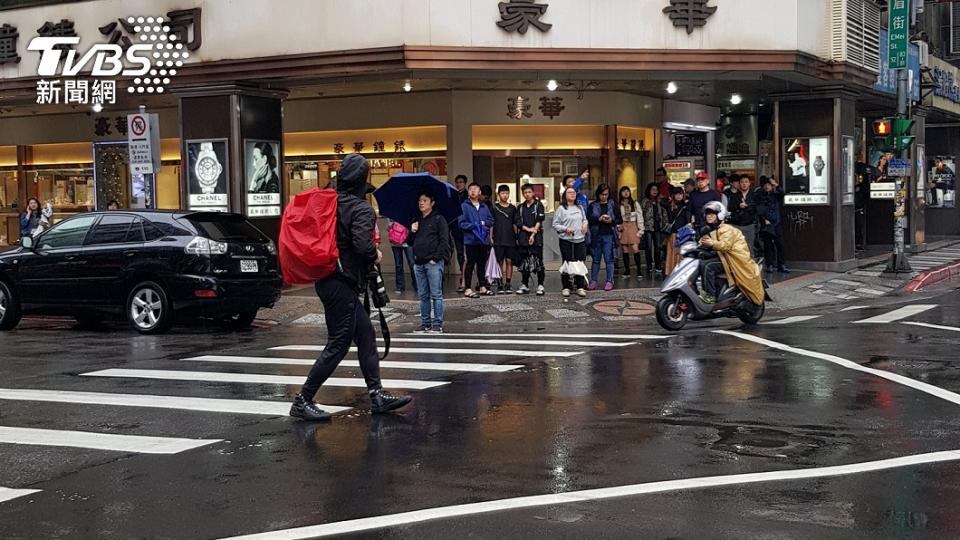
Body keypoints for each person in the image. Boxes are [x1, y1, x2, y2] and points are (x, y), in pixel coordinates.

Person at [291, 154, 411, 422]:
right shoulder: (360, 209)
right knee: (339, 342)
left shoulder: (330, 204)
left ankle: (377, 394)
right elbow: (363, 246)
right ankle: (303, 399)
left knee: (366, 335)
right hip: (341, 283)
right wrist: (376, 255)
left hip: (328, 280)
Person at [697, 201, 764, 307]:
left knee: (707, 266)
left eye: (712, 214)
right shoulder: (709, 229)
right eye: (708, 214)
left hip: (733, 260)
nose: (709, 216)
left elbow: (725, 245)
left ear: (719, 215)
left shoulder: (726, 229)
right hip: (723, 257)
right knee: (699, 262)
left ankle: (710, 296)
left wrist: (711, 243)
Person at [410, 193, 449, 333]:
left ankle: (437, 324)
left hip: (433, 262)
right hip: (418, 262)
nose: (421, 203)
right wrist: (413, 230)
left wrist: (436, 258)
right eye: (419, 200)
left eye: (424, 200)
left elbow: (444, 240)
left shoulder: (439, 219)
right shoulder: (417, 219)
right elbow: (410, 242)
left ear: (432, 203)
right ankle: (425, 323)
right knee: (423, 295)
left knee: (436, 294)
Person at [460, 182, 494, 298]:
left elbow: (491, 221)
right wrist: (473, 225)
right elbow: (461, 223)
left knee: (481, 264)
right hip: (471, 240)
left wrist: (484, 224)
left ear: (480, 192)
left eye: (475, 189)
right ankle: (468, 288)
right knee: (470, 263)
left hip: (483, 240)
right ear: (468, 192)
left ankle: (482, 286)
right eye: (471, 189)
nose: (473, 191)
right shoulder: (464, 206)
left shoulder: (484, 206)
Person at [554, 186, 589, 298]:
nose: (572, 194)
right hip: (566, 240)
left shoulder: (580, 208)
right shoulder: (561, 209)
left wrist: (585, 225)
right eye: (569, 193)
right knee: (567, 262)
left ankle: (580, 286)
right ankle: (566, 287)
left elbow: (585, 219)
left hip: (580, 239)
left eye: (574, 193)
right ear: (565, 195)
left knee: (580, 262)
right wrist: (566, 229)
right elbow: (555, 224)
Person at [587, 184, 622, 291]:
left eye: (606, 194)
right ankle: (593, 281)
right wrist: (599, 218)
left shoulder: (613, 205)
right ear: (598, 194)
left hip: (609, 234)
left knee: (609, 259)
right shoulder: (593, 205)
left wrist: (611, 220)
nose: (604, 197)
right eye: (602, 194)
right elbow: (588, 219)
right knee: (596, 260)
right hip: (596, 235)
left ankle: (609, 281)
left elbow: (619, 220)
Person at [515, 183, 546, 296]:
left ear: (533, 193)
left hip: (536, 238)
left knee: (538, 261)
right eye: (525, 193)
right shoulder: (521, 207)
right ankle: (525, 284)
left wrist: (533, 234)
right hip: (523, 237)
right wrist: (528, 230)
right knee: (525, 262)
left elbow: (539, 220)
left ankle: (540, 285)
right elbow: (518, 222)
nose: (527, 195)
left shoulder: (539, 205)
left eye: (529, 192)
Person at [756, 176, 790, 274]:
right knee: (768, 245)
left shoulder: (775, 195)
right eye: (765, 185)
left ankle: (781, 264)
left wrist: (776, 184)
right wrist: (764, 219)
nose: (767, 187)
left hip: (777, 222)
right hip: (766, 223)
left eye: (769, 185)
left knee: (780, 244)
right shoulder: (759, 196)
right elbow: (759, 210)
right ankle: (770, 264)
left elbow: (782, 193)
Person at [491, 185, 518, 294]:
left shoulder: (512, 208)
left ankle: (508, 283)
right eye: (502, 193)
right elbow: (491, 224)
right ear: (498, 195)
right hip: (498, 238)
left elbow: (515, 224)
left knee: (509, 261)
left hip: (510, 238)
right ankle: (499, 283)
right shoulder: (494, 208)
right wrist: (490, 237)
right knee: (499, 261)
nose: (505, 195)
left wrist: (516, 237)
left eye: (507, 193)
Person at [726, 175, 759, 258]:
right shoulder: (734, 194)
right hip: (736, 224)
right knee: (736, 248)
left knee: (749, 247)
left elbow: (757, 208)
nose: (744, 184)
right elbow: (730, 208)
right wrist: (738, 206)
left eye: (746, 182)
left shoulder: (754, 195)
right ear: (739, 184)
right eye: (742, 182)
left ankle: (751, 268)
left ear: (749, 183)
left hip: (749, 224)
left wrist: (747, 206)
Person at [640, 183, 669, 277]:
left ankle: (658, 265)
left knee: (658, 247)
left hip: (658, 227)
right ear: (649, 190)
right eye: (653, 189)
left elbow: (664, 213)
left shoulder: (660, 201)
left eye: (656, 189)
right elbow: (640, 214)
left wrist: (665, 225)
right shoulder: (644, 201)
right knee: (648, 247)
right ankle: (649, 265)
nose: (654, 191)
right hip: (648, 227)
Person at [617, 186, 644, 278]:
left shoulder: (635, 203)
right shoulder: (619, 204)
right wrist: (618, 227)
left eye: (627, 191)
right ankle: (627, 270)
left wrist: (641, 229)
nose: (626, 193)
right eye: (623, 191)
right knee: (624, 249)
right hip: (623, 226)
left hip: (633, 225)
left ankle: (639, 270)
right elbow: (617, 217)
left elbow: (639, 217)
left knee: (635, 248)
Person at [664, 187, 692, 275]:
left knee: (680, 253)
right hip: (672, 233)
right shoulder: (670, 205)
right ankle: (670, 271)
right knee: (671, 253)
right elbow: (661, 202)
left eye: (680, 194)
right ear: (673, 195)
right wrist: (669, 199)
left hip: (682, 234)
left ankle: (680, 271)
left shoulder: (686, 205)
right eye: (676, 194)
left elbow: (688, 221)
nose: (679, 196)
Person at [387, 220, 417, 295]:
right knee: (399, 265)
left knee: (411, 264)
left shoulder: (409, 214)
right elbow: (388, 227)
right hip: (395, 241)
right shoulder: (392, 214)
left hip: (407, 241)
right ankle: (400, 286)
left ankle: (416, 285)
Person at [451, 174, 469, 292]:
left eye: (461, 182)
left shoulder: (468, 196)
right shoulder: (453, 195)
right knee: (460, 254)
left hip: (467, 230)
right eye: (457, 182)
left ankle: (466, 277)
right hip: (456, 229)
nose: (459, 184)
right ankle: (463, 276)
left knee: (469, 255)